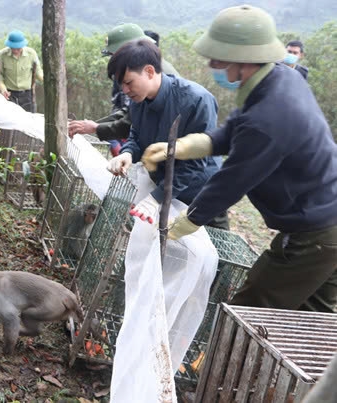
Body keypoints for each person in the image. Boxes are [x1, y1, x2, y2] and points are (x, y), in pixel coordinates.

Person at [142, 5, 337, 312]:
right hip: (325, 220)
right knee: (313, 316)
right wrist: (187, 146)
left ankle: (219, 361)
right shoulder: (281, 79)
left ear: (242, 62)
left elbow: (232, 180)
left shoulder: (270, 116)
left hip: (315, 232)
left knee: (249, 310)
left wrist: (186, 222)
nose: (211, 65)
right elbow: (236, 129)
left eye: (218, 60)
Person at [104, 39, 228, 229]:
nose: (125, 91)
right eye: (122, 85)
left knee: (213, 248)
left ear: (149, 71)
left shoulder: (196, 100)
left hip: (201, 193)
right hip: (165, 187)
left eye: (129, 82)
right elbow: (136, 136)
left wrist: (157, 198)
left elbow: (195, 164)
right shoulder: (138, 102)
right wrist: (127, 153)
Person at [69, 23, 179, 156]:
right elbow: (130, 111)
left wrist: (96, 128)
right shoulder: (136, 73)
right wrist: (92, 126)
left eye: (114, 55)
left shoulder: (153, 74)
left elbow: (132, 122)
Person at [0, 30, 43, 113]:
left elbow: (38, 72)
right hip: (9, 94)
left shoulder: (31, 54)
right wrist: (3, 89)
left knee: (28, 120)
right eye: (13, 48)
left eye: (18, 48)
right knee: (9, 120)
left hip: (27, 94)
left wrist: (48, 81)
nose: (15, 51)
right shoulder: (2, 55)